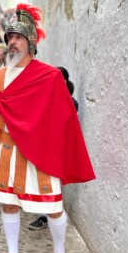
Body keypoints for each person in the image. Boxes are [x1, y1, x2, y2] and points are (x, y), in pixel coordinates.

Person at [0, 4, 95, 253]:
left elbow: (63, 119)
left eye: (18, 37)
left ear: (31, 42)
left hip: (40, 153)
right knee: (8, 206)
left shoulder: (50, 77)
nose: (12, 41)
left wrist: (57, 148)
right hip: (7, 152)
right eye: (10, 36)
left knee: (53, 206)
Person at [29, 66, 80, 231]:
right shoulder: (47, 97)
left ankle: (49, 217)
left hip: (59, 149)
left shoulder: (71, 102)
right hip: (45, 147)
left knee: (54, 184)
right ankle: (46, 214)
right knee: (45, 181)